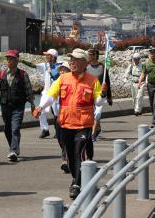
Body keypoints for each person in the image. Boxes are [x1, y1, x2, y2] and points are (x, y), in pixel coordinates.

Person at [32, 48, 108, 199]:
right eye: (71, 60)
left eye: (76, 60)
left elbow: (98, 101)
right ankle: (76, 177)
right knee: (70, 156)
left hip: (83, 124)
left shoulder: (92, 81)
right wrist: (41, 107)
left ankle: (76, 184)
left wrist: (103, 94)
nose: (72, 62)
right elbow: (51, 95)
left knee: (79, 152)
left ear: (84, 63)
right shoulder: (63, 78)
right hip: (66, 123)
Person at [0, 49, 35, 162]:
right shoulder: (2, 73)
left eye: (11, 58)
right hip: (5, 106)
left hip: (18, 106)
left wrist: (33, 104)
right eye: (8, 58)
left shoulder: (23, 74)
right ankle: (14, 148)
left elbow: (29, 90)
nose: (8, 60)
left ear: (17, 60)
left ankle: (13, 150)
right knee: (7, 129)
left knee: (15, 128)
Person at [86, 48, 112, 143]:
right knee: (91, 115)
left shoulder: (103, 67)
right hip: (88, 94)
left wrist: (109, 97)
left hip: (100, 95)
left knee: (97, 114)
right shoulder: (86, 67)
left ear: (94, 55)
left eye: (89, 54)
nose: (88, 56)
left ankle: (92, 135)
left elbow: (107, 82)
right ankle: (97, 128)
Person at [35, 49, 61, 138]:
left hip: (55, 92)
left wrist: (53, 72)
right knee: (40, 110)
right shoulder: (45, 65)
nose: (46, 57)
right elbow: (33, 65)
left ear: (53, 57)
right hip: (46, 92)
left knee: (56, 112)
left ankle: (58, 131)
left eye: (48, 55)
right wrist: (22, 61)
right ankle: (45, 129)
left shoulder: (59, 67)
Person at [57, 61, 71, 174]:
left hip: (72, 117)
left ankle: (66, 160)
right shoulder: (58, 82)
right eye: (60, 70)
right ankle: (67, 156)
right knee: (61, 139)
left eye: (64, 69)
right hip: (59, 117)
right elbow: (49, 95)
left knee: (67, 139)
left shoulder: (74, 81)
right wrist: (41, 107)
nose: (61, 71)